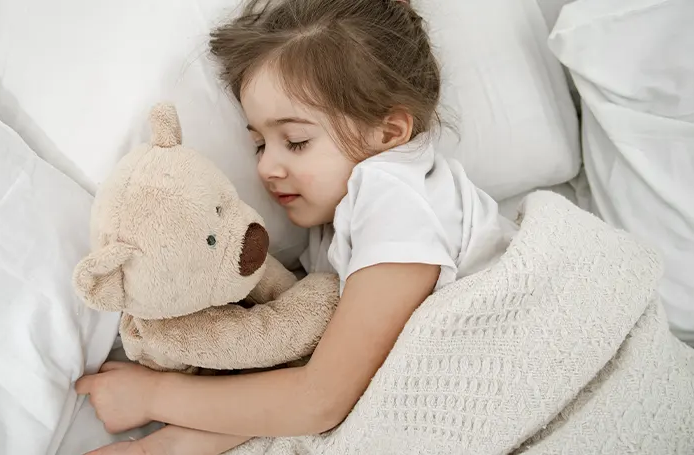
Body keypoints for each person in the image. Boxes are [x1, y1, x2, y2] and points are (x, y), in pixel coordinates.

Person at [75, 0, 516, 453]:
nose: (267, 167)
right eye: (259, 145)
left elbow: (320, 399)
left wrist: (154, 397)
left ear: (388, 133)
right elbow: (309, 379)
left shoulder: (398, 199)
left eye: (297, 142)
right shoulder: (334, 224)